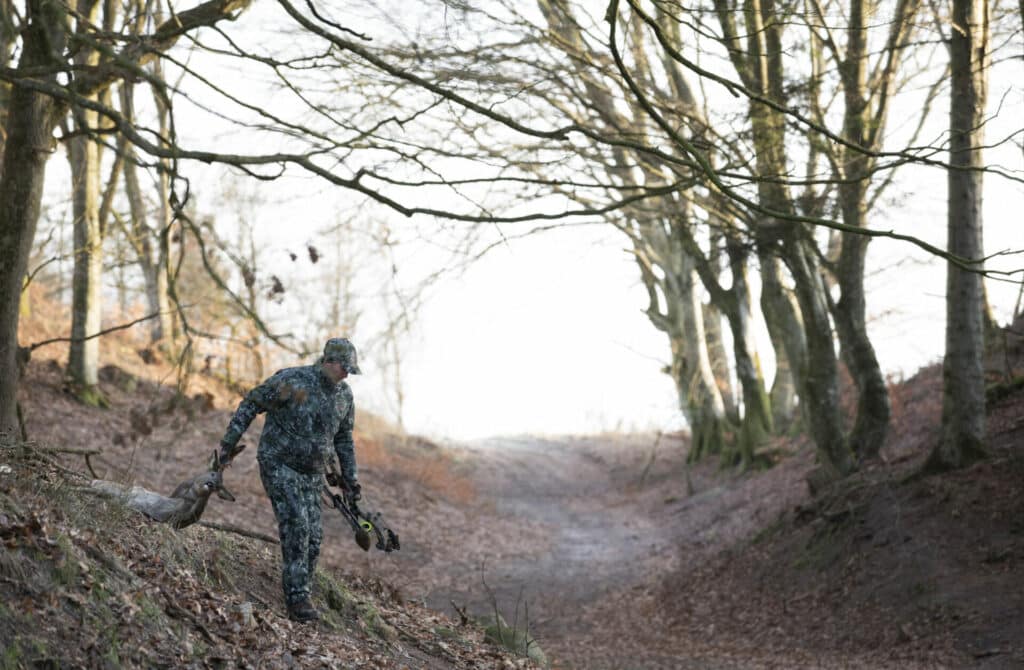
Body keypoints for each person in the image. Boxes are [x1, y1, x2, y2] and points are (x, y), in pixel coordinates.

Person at [218, 337, 362, 623]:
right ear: (328, 361)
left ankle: (303, 589)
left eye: (351, 370)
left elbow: (344, 439)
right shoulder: (292, 381)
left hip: (312, 475)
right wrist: (228, 443)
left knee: (315, 538)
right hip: (278, 463)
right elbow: (252, 402)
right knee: (297, 526)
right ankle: (297, 599)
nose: (347, 374)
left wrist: (351, 478)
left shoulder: (345, 397)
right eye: (344, 368)